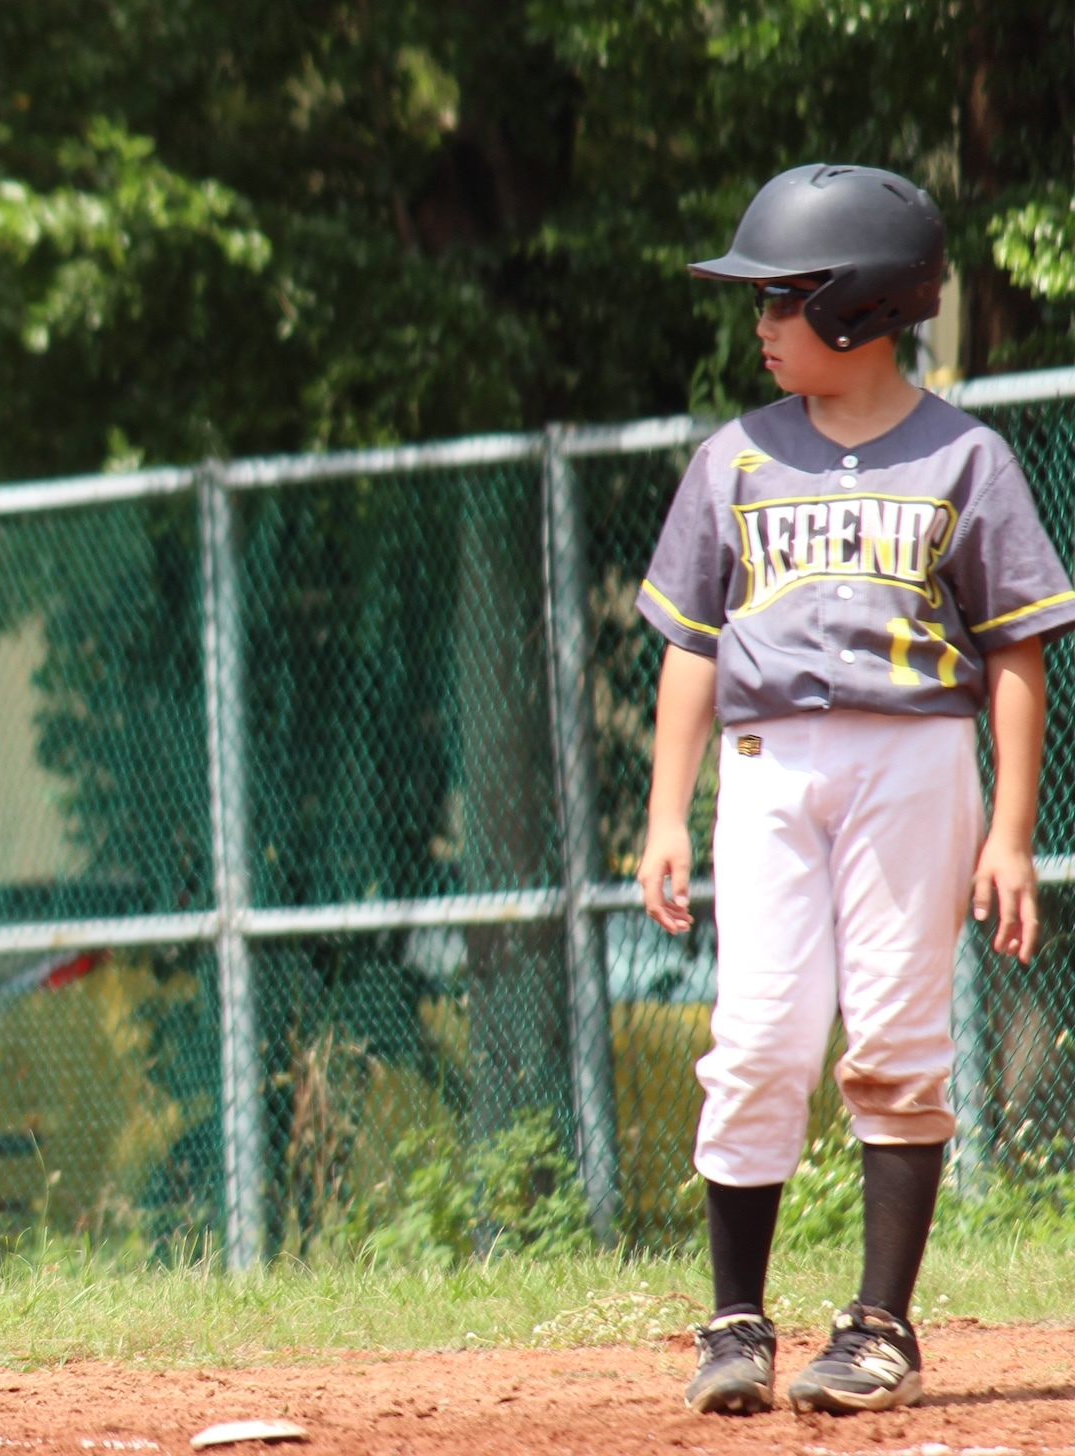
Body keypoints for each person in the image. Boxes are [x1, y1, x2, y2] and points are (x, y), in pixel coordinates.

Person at [636, 164, 1072, 1416]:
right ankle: (733, 1320)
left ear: (858, 305)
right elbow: (691, 646)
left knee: (894, 1036)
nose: (759, 323)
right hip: (767, 765)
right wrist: (668, 810)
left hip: (915, 760)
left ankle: (880, 1324)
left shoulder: (966, 459)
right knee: (761, 1035)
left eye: (780, 297)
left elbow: (1016, 651)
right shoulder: (732, 460)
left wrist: (1011, 828)